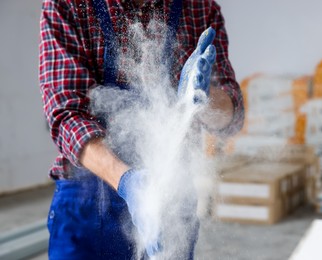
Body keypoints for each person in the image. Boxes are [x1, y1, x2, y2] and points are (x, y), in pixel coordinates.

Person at [39, 0, 244, 259]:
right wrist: (129, 183)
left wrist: (203, 99)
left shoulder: (200, 7)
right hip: (88, 205)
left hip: (170, 199)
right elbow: (66, 114)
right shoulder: (68, 5)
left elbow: (232, 116)